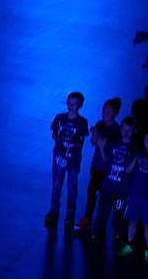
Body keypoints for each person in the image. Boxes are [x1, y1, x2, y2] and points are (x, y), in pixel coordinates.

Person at [74, 97, 123, 235]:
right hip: (96, 167)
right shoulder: (100, 124)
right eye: (104, 110)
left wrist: (102, 143)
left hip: (108, 170)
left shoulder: (117, 130)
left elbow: (111, 150)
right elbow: (93, 142)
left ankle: (105, 224)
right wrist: (95, 135)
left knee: (106, 198)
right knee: (92, 194)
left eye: (108, 111)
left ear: (115, 114)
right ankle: (87, 219)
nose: (105, 113)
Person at [46, 92, 90, 231]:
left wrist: (74, 140)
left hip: (73, 160)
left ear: (80, 105)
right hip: (59, 157)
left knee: (72, 186)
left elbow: (81, 140)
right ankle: (54, 211)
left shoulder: (82, 122)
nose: (71, 106)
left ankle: (70, 214)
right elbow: (54, 134)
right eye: (69, 103)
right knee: (57, 185)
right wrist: (57, 136)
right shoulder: (60, 118)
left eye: (74, 104)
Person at [119, 131, 148, 261]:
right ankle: (129, 245)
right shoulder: (137, 153)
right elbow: (127, 170)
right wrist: (135, 160)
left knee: (147, 224)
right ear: (143, 141)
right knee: (132, 221)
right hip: (134, 196)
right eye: (147, 140)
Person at [90, 117, 136, 245]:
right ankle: (98, 231)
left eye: (129, 130)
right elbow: (106, 160)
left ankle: (118, 233)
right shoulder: (114, 143)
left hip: (122, 189)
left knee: (119, 214)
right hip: (107, 185)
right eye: (124, 129)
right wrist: (100, 147)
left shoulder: (134, 148)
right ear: (120, 129)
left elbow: (130, 170)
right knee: (102, 211)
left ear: (134, 131)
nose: (126, 133)